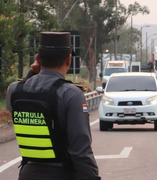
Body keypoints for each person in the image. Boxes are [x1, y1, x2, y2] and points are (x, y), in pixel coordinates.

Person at [6, 32, 101, 180]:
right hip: (62, 174)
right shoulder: (71, 95)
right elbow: (80, 152)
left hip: (27, 173)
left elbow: (26, 90)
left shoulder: (14, 90)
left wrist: (31, 73)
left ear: (37, 59)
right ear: (68, 60)